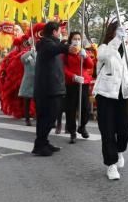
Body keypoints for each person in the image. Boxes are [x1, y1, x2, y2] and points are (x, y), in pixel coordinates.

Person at [93, 21, 128, 180]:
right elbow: (103, 57)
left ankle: (120, 151)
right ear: (112, 32)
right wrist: (116, 41)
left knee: (125, 128)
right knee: (107, 129)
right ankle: (111, 164)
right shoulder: (105, 47)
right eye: (119, 30)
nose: (123, 33)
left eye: (124, 31)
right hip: (106, 94)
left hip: (124, 94)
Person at [32, 22, 76, 157]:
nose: (61, 32)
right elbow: (56, 49)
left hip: (51, 87)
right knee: (48, 117)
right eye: (60, 30)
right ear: (54, 31)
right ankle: (40, 145)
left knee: (46, 117)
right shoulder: (46, 44)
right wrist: (67, 47)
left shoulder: (49, 43)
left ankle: (43, 142)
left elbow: (57, 48)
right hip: (48, 88)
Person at [62, 31, 94, 143]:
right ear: (70, 40)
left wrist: (86, 57)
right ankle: (72, 131)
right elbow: (63, 69)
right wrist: (73, 77)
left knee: (85, 107)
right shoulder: (65, 53)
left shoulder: (83, 51)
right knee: (71, 109)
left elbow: (90, 65)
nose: (77, 41)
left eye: (79, 39)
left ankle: (82, 126)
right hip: (71, 84)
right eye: (75, 39)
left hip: (83, 83)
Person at [19, 35, 36, 126]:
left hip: (37, 80)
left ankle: (37, 116)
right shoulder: (27, 53)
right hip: (28, 80)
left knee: (37, 100)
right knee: (27, 101)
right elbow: (22, 59)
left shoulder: (39, 52)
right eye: (33, 42)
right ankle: (27, 119)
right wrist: (30, 52)